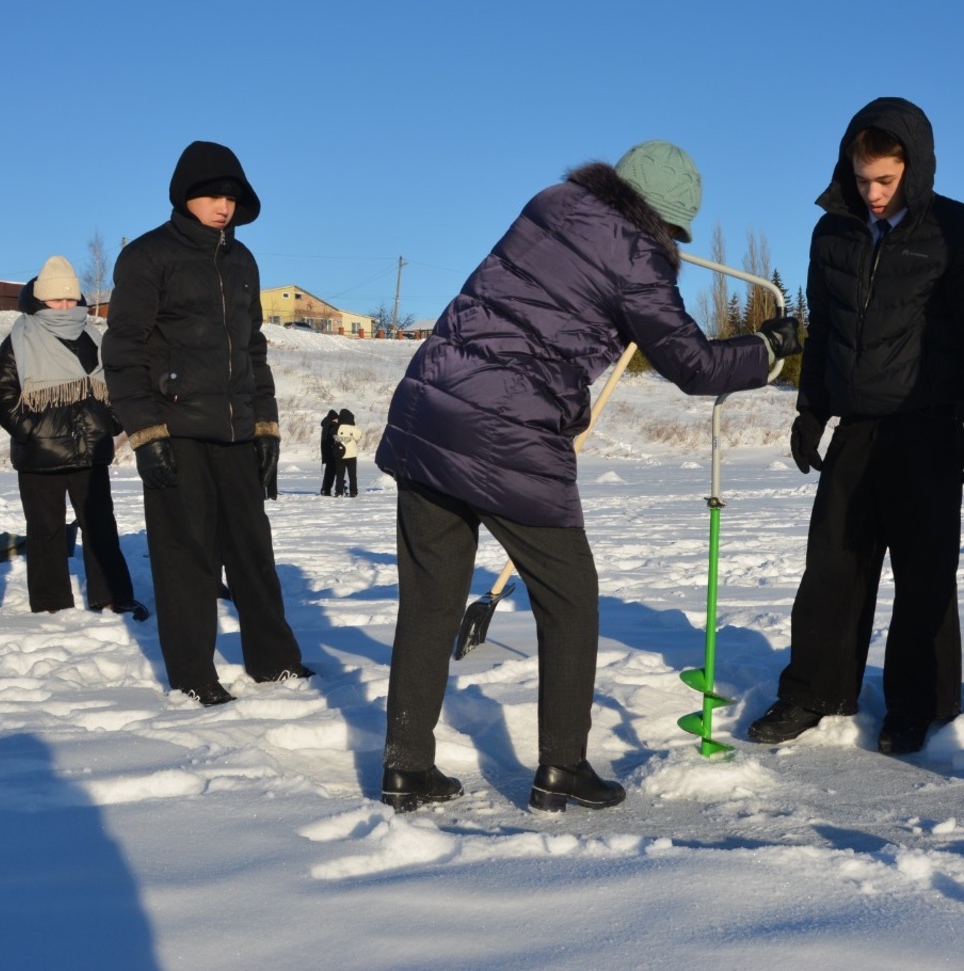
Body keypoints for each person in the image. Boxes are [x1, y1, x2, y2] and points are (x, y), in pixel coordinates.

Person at [375, 140, 801, 813]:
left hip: (428, 408)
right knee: (570, 598)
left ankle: (406, 766)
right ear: (662, 219)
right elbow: (692, 366)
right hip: (506, 432)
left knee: (429, 599)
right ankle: (562, 765)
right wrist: (769, 346)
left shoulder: (549, 206)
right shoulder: (635, 256)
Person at [747, 98, 964, 755]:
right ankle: (814, 690)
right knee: (832, 563)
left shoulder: (960, 230)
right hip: (859, 423)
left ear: (914, 169)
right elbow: (827, 330)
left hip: (928, 424)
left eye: (885, 180)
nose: (870, 193)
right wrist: (812, 408)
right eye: (860, 177)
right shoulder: (832, 232)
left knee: (924, 573)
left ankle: (917, 704)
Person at [102, 140, 310, 707]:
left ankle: (274, 661)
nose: (224, 205)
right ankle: (194, 674)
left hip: (236, 432)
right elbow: (122, 350)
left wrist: (265, 425)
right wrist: (144, 433)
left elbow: (253, 349)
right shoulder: (148, 256)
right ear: (186, 195)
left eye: (233, 197)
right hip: (174, 431)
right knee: (185, 558)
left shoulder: (242, 261)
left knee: (252, 552)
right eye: (214, 195)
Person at [0, 256, 148, 620]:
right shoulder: (20, 338)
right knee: (45, 532)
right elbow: (5, 398)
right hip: (40, 456)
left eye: (69, 299)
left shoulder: (92, 337)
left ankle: (113, 597)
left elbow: (112, 387)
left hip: (90, 452)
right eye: (55, 300)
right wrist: (34, 433)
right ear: (40, 300)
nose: (64, 307)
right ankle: (50, 604)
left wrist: (108, 424)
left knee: (101, 529)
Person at [335, 408, 361, 497]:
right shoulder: (354, 428)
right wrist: (350, 439)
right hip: (351, 454)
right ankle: (353, 491)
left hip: (340, 454)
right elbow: (358, 437)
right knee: (352, 475)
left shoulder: (337, 427)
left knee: (339, 475)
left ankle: (339, 491)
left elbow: (334, 438)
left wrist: (342, 439)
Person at [318, 409, 341, 496]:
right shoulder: (330, 426)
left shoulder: (326, 425)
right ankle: (326, 489)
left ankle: (325, 489)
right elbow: (334, 437)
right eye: (336, 419)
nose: (337, 420)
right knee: (331, 472)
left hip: (327, 452)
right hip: (331, 452)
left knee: (329, 472)